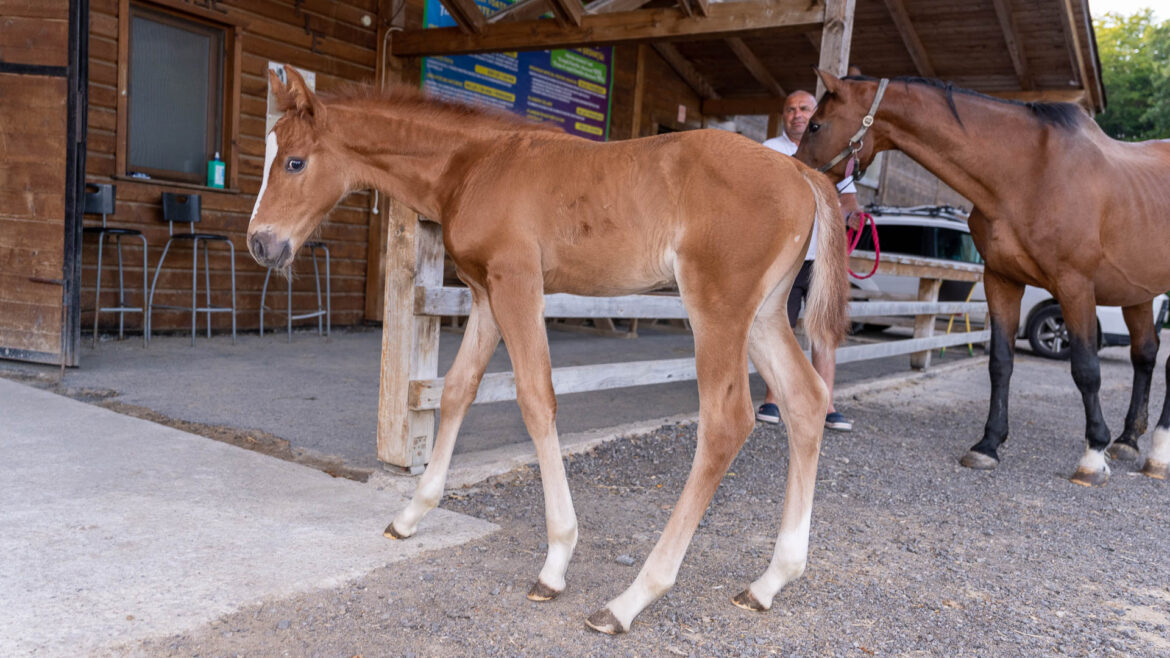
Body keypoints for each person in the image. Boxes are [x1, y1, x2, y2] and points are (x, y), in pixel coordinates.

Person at [756, 89, 860, 432]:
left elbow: (848, 199)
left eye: (803, 108)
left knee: (824, 331)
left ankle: (825, 404)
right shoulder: (770, 150)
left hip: (823, 256)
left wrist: (850, 215)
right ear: (783, 116)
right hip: (785, 256)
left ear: (814, 114)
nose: (797, 114)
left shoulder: (834, 149)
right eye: (790, 109)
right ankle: (773, 399)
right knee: (779, 327)